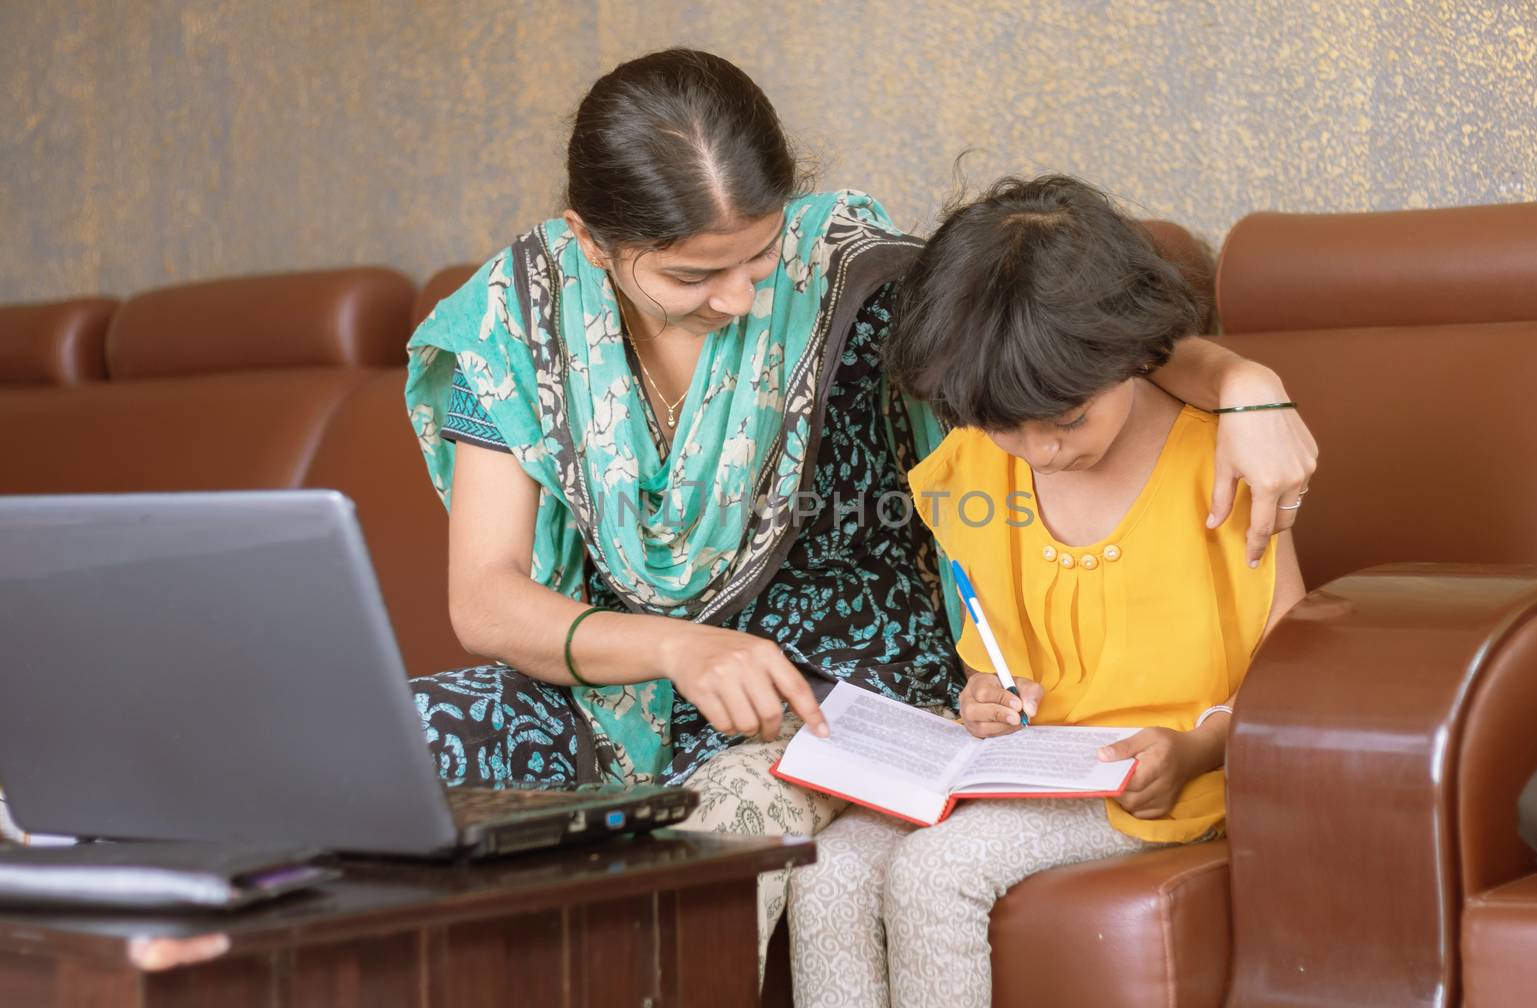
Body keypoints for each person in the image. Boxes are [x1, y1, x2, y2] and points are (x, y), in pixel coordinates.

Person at [402, 49, 1314, 971]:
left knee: (715, 846)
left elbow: (1058, 341)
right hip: (622, 683)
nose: (742, 296)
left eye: (759, 253)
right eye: (690, 276)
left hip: (836, 693)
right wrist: (678, 647)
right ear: (591, 242)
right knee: (381, 760)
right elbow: (486, 599)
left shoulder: (848, 277)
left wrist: (1246, 384)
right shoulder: (517, 321)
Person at [786, 174, 1309, 1007]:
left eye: (1068, 421)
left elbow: (1291, 677)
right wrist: (985, 697)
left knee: (936, 873)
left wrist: (1197, 750)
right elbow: (1002, 652)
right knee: (830, 872)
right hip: (1027, 768)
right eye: (1005, 427)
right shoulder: (979, 469)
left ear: (1134, 350)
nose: (1042, 453)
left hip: (1162, 775)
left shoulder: (1218, 467)